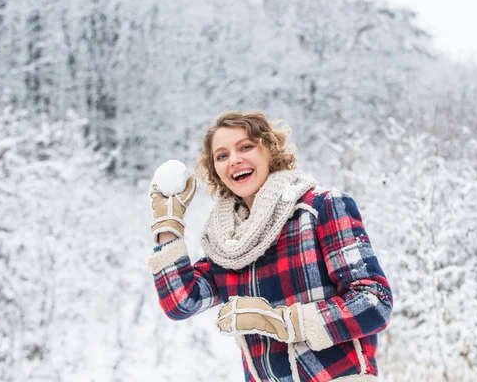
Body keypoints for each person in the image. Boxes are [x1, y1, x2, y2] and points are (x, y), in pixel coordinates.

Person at [147, 111, 393, 381]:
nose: (235, 159)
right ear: (215, 170)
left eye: (246, 146)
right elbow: (181, 302)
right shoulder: (227, 243)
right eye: (222, 155)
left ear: (270, 149)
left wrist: (284, 323)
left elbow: (374, 301)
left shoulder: (321, 208)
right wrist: (167, 224)